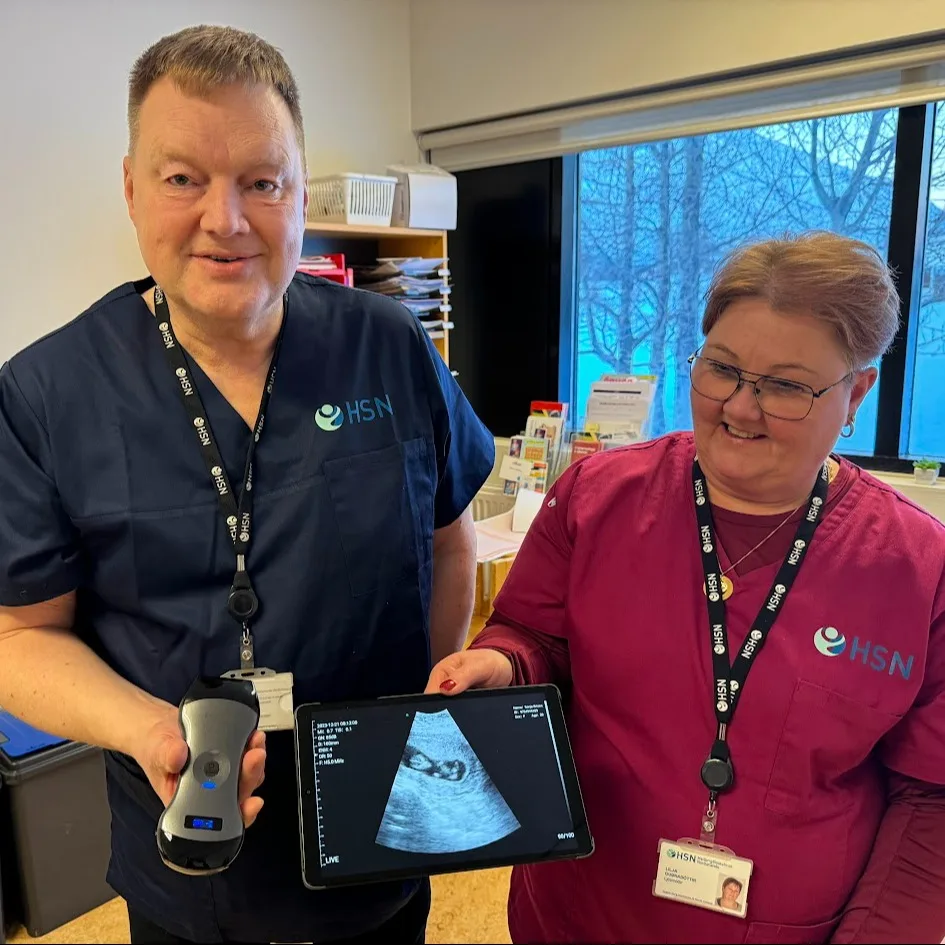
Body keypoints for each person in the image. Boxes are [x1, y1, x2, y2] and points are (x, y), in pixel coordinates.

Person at [0, 24, 494, 945]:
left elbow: (448, 540)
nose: (225, 219)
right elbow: (20, 635)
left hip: (378, 828)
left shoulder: (388, 345)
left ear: (299, 190)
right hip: (187, 848)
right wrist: (147, 729)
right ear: (132, 188)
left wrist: (414, 722)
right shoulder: (46, 393)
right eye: (183, 178)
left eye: (262, 182)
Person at [427, 232, 945, 944]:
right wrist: (503, 663)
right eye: (722, 369)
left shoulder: (916, 566)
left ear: (856, 391)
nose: (740, 408)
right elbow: (535, 635)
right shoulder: (598, 496)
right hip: (580, 911)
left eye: (785, 386)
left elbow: (932, 794)